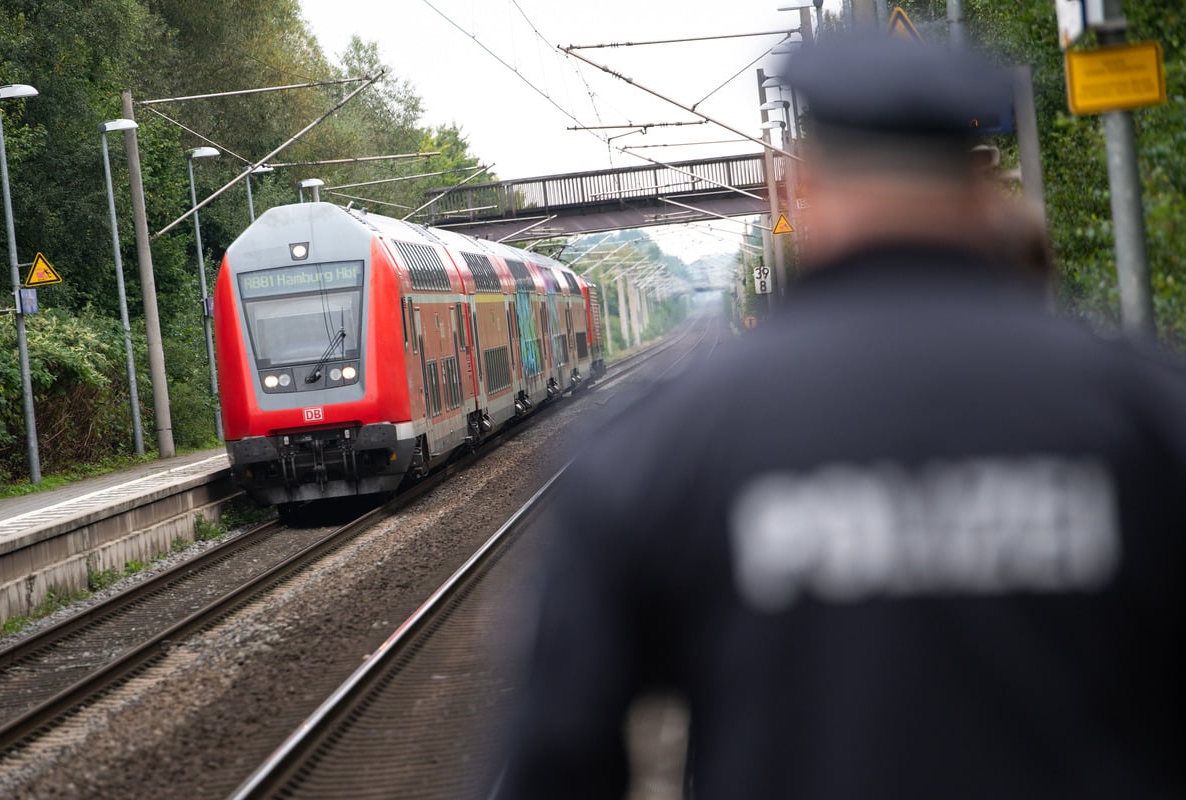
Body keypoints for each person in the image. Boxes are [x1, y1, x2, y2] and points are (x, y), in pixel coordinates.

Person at [493, 32, 1186, 799]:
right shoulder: (1146, 411)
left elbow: (556, 759)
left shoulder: (660, 447)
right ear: (981, 186)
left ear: (805, 188)